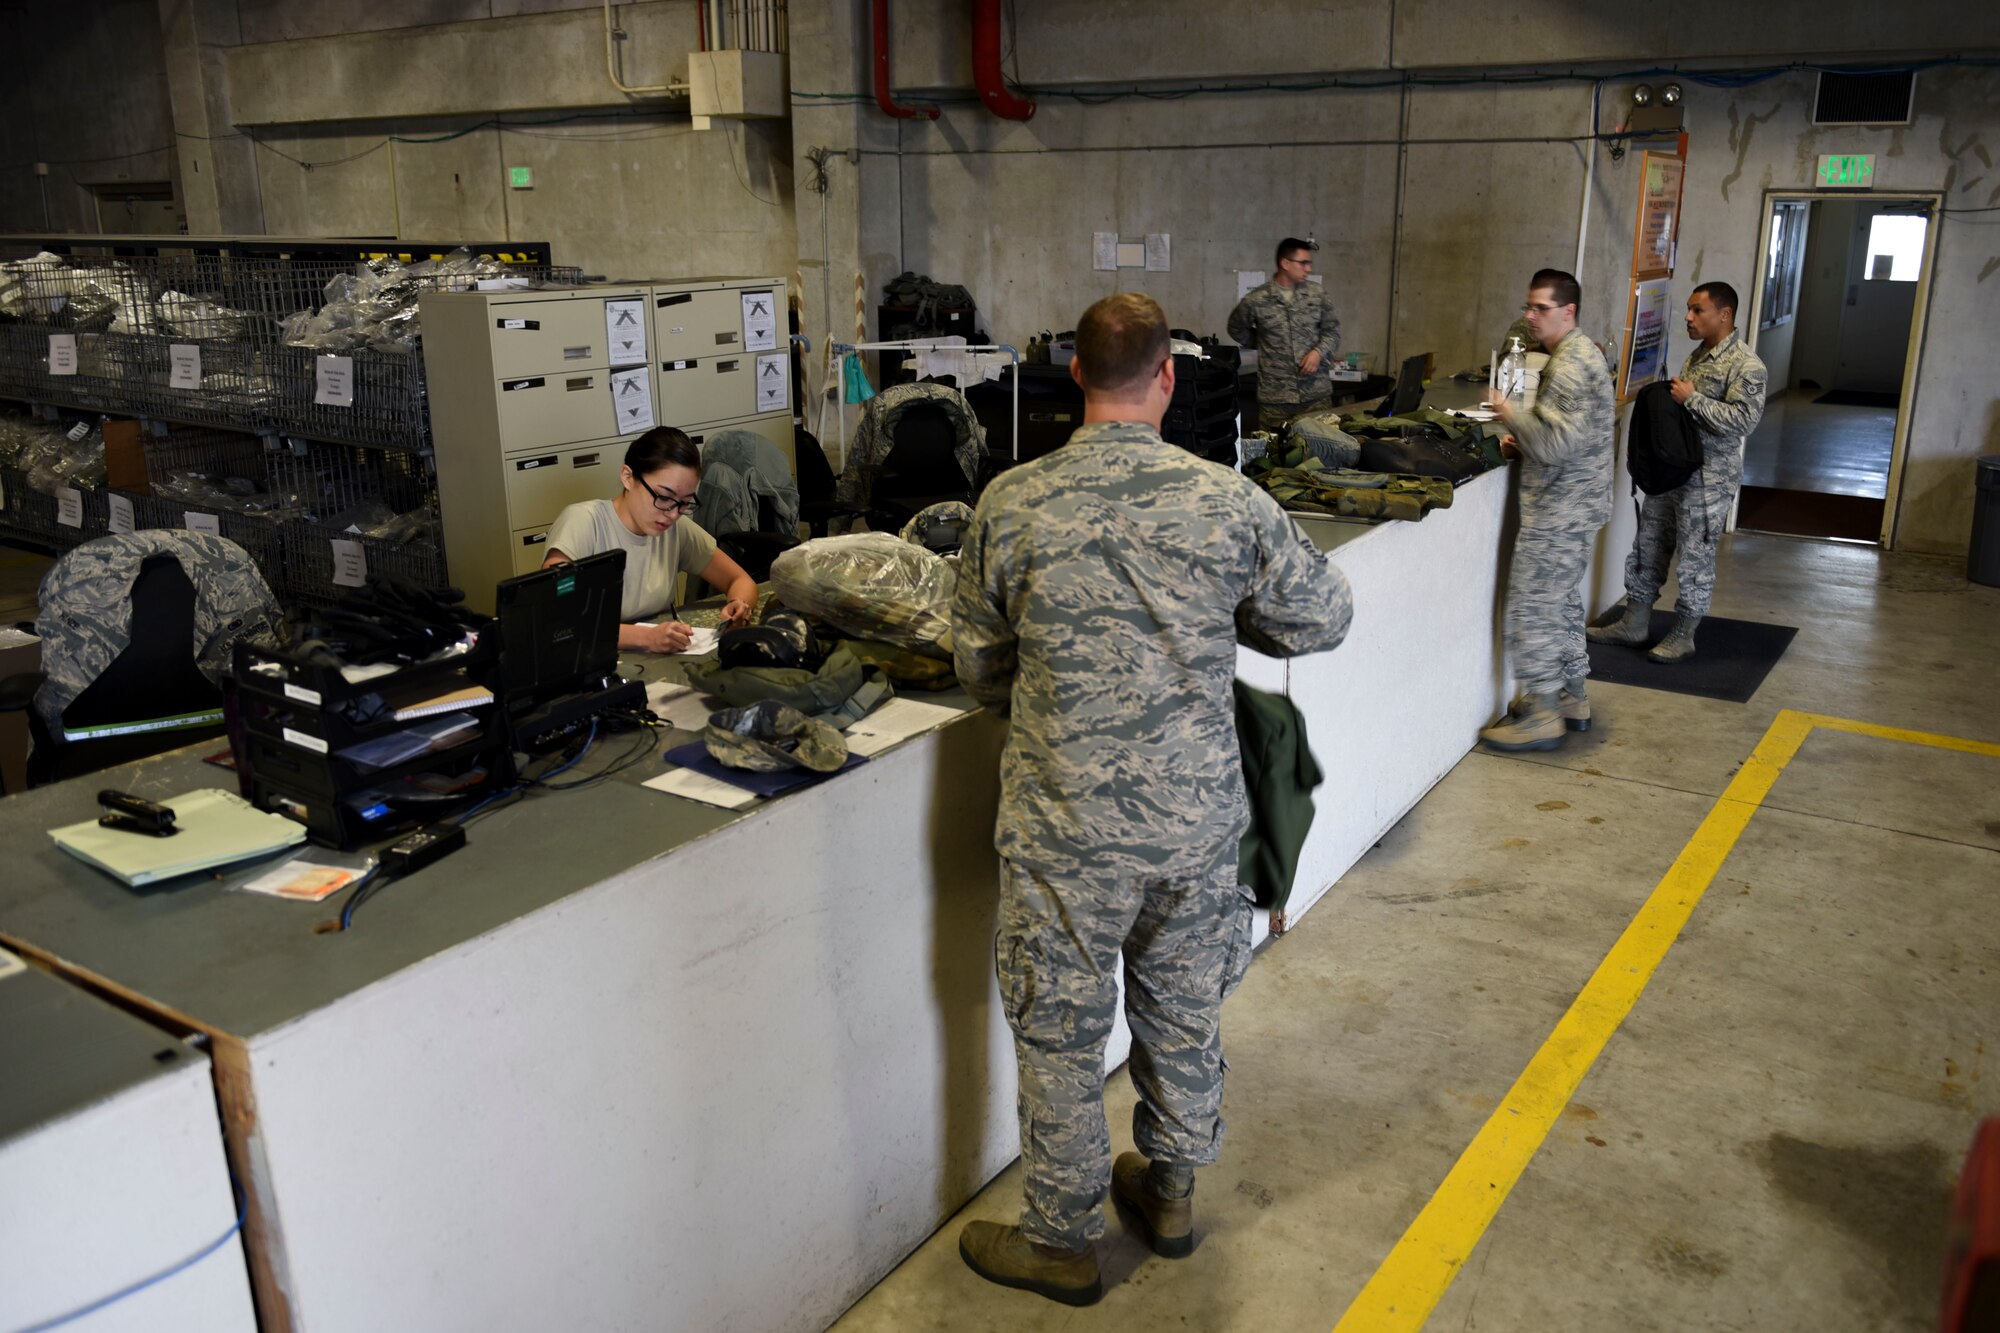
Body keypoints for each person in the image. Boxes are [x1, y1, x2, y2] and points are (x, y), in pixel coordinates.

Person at [951, 292, 1353, 1306]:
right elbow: (1319, 619)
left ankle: (1060, 1237)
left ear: (1074, 376)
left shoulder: (1011, 500)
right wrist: (1218, 622)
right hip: (1193, 823)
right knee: (1181, 1011)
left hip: (1064, 830)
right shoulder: (1226, 500)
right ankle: (1169, 1193)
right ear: (1167, 378)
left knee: (1060, 1031)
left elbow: (979, 667)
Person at [1588, 281, 1769, 662]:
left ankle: (1684, 633)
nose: (1687, 317)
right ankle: (1635, 622)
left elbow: (1743, 421)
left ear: (1724, 314)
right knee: (1648, 545)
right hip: (1674, 471)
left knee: (1694, 557)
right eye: (1688, 309)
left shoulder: (1746, 365)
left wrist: (1693, 399)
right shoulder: (1699, 355)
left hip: (1709, 480)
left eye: (1697, 310)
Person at [1479, 270, 1615, 752]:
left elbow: (1555, 444)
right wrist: (1528, 437)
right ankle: (1571, 695)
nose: (1530, 316)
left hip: (1560, 509)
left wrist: (1508, 412)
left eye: (1540, 308)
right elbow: (1564, 436)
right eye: (1528, 306)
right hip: (1575, 503)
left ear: (1568, 311)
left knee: (1535, 605)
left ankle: (1540, 712)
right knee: (1561, 603)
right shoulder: (1577, 354)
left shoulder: (1571, 364)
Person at [542, 427, 757, 653]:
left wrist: (738, 605)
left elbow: (740, 580)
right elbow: (558, 618)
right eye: (664, 497)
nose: (673, 514)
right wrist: (646, 638)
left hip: (654, 659)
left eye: (684, 502)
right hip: (591, 658)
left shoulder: (676, 529)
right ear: (628, 477)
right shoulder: (583, 522)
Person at [1227, 237, 1342, 432]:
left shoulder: (1317, 295)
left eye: (1309, 263)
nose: (1309, 269)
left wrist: (1318, 352)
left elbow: (1332, 331)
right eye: (1303, 263)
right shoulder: (1257, 300)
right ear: (1285, 263)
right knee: (1273, 455)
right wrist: (1263, 343)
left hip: (1315, 396)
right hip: (1275, 399)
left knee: (1321, 454)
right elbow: (1236, 328)